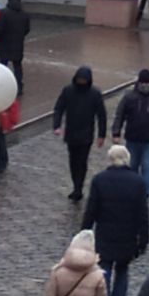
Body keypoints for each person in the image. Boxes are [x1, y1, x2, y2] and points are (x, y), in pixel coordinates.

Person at [83, 144, 149, 296]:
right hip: (127, 237)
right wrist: (143, 239)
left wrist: (84, 233)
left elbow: (91, 211)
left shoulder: (100, 180)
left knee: (103, 275)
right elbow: (142, 215)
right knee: (122, 273)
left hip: (105, 236)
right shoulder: (137, 182)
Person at [111, 69, 149, 196]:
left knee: (146, 167)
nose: (145, 86)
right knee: (132, 168)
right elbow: (120, 115)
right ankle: (133, 192)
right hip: (133, 140)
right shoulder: (129, 98)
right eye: (143, 83)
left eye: (147, 83)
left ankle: (144, 194)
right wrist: (116, 132)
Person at [53, 65, 108, 201]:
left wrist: (101, 134)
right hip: (71, 132)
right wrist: (57, 125)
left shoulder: (95, 94)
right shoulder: (68, 91)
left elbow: (102, 115)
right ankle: (76, 185)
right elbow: (59, 108)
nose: (81, 82)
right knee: (73, 160)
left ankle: (78, 187)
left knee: (82, 161)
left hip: (86, 134)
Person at [0, 0, 31, 95]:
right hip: (18, 44)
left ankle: (1, 85)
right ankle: (19, 87)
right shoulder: (25, 14)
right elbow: (27, 29)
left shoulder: (3, 13)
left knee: (3, 66)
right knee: (17, 66)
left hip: (4, 44)